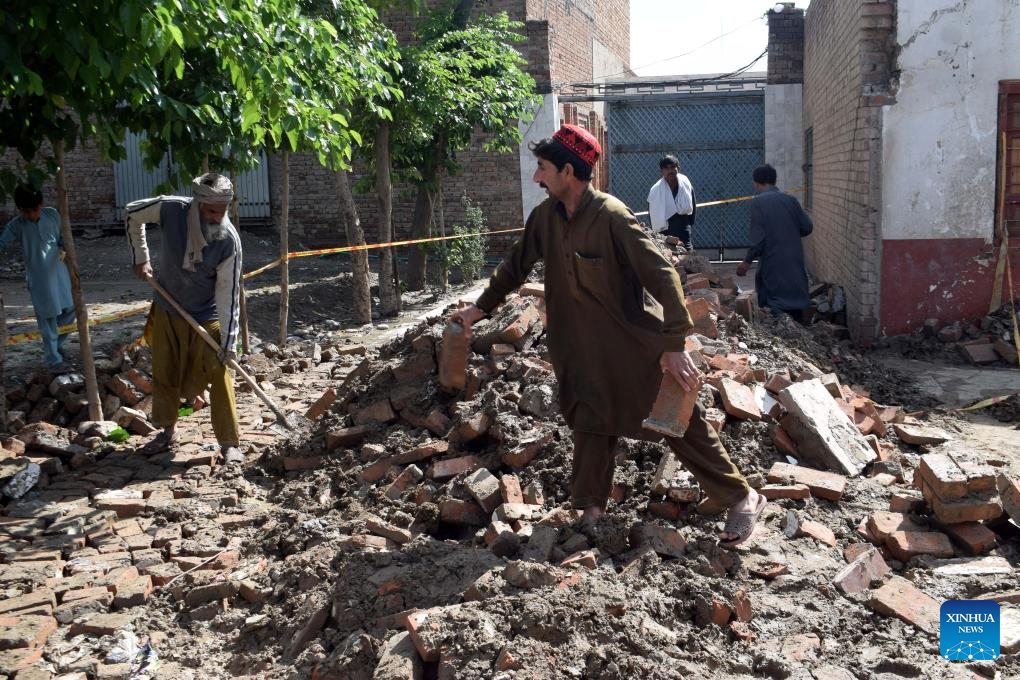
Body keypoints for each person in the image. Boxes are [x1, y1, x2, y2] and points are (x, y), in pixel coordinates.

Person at [452, 125, 764, 546]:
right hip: (578, 345)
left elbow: (662, 276)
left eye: (542, 168)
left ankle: (742, 496)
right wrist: (479, 309)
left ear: (568, 171)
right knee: (589, 418)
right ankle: (592, 510)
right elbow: (514, 267)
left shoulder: (612, 216)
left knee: (675, 420)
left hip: (633, 345)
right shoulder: (545, 218)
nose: (536, 177)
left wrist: (673, 344)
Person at [125, 173, 243, 463]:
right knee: (164, 371)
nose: (217, 217)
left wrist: (229, 343)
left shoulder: (229, 242)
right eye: (212, 211)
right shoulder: (170, 209)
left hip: (207, 314)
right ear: (197, 204)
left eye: (223, 210)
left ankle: (229, 443)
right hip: (167, 307)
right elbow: (132, 214)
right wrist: (141, 256)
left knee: (219, 369)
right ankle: (167, 432)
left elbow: (228, 294)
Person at [0, 185, 76, 374]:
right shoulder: (16, 225)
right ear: (19, 209)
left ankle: (57, 346)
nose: (32, 215)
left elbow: (62, 238)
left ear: (41, 204)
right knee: (48, 319)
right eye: (26, 211)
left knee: (70, 309)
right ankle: (53, 361)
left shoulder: (52, 215)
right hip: (39, 279)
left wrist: (66, 250)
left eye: (35, 209)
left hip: (59, 273)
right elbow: (2, 242)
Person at [736, 164, 813, 322]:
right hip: (794, 260)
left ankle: (780, 331)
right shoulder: (791, 200)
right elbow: (807, 227)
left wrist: (746, 262)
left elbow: (759, 240)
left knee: (773, 306)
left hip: (772, 261)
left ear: (756, 183)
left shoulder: (758, 202)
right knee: (795, 304)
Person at [647, 154, 696, 250]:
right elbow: (652, 214)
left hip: (684, 233)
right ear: (661, 171)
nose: (670, 171)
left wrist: (687, 226)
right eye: (666, 168)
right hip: (664, 235)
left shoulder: (685, 184)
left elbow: (692, 210)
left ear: (678, 168)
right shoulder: (655, 191)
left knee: (687, 256)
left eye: (673, 167)